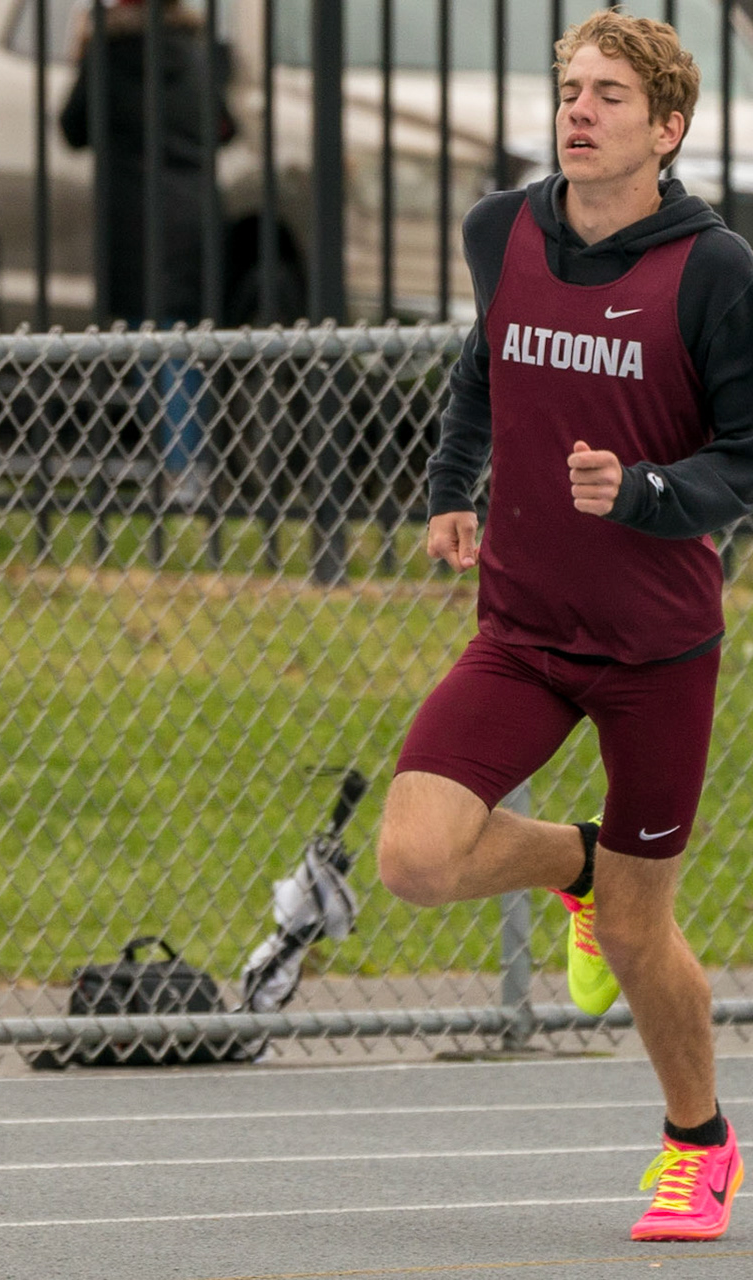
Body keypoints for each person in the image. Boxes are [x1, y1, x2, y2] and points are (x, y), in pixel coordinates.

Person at [377, 10, 752, 1242]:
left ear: (667, 128)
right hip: (525, 629)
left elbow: (746, 456)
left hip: (655, 649)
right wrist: (452, 481)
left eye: (609, 96)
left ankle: (699, 1142)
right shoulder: (503, 230)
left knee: (641, 932)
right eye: (570, 89)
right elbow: (484, 363)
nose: (578, 111)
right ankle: (576, 862)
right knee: (415, 857)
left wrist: (645, 493)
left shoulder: (714, 270)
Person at [60, 0, 229, 509]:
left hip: (133, 212)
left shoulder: (107, 53)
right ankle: (186, 465)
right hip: (192, 209)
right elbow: (224, 126)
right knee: (183, 342)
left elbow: (73, 128)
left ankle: (177, 466)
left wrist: (83, 53)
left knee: (150, 343)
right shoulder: (195, 51)